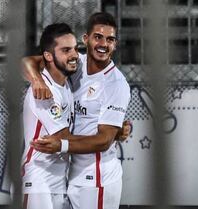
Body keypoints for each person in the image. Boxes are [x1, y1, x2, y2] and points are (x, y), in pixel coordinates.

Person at [23, 12, 131, 209]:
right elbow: (28, 61)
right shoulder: (74, 63)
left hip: (97, 178)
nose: (103, 44)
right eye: (98, 37)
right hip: (71, 175)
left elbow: (103, 140)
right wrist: (36, 79)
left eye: (110, 39)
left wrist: (113, 133)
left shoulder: (116, 83)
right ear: (86, 39)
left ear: (115, 44)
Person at [22, 23, 78, 209]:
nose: (75, 55)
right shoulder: (44, 90)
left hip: (58, 179)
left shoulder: (65, 83)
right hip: (38, 179)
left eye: (76, 49)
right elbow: (64, 138)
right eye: (66, 50)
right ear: (48, 56)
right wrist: (104, 139)